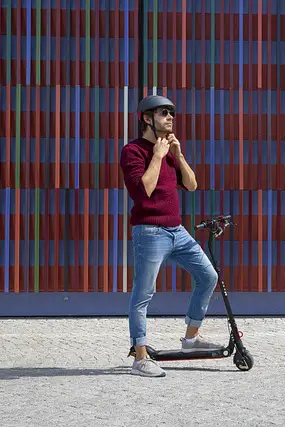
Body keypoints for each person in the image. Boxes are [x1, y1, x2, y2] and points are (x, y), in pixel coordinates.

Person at [119, 95, 222, 377]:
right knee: (143, 294)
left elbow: (191, 185)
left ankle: (190, 339)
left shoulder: (169, 152)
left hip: (177, 231)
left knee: (209, 276)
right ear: (147, 118)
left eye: (172, 113)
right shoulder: (133, 151)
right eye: (164, 113)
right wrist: (157, 156)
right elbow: (144, 191)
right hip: (150, 232)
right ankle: (140, 357)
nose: (171, 117)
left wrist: (178, 155)